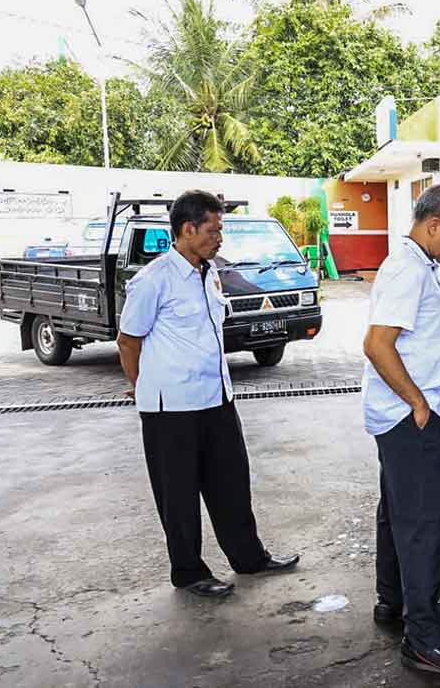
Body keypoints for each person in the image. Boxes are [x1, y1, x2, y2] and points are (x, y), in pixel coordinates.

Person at [117, 190, 299, 599]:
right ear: (188, 229)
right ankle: (188, 572)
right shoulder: (154, 280)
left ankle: (249, 558)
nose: (220, 238)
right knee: (178, 495)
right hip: (171, 408)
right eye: (214, 230)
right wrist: (142, 389)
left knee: (231, 483)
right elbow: (128, 341)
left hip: (217, 398)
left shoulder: (210, 271)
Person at [361, 184, 440, 680]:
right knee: (423, 529)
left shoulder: (414, 267)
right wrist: (417, 404)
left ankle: (392, 602)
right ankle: (425, 642)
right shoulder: (408, 271)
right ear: (434, 225)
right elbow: (377, 344)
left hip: (399, 418)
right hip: (406, 419)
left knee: (397, 515)